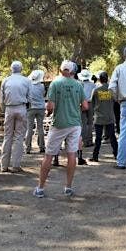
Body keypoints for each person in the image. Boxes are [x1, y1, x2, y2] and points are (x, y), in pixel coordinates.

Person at [33, 60, 86, 198]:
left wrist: (50, 113)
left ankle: (40, 188)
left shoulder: (55, 84)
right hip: (75, 124)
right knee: (71, 155)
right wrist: (75, 109)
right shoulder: (78, 85)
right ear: (73, 71)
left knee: (49, 155)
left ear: (61, 70)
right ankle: (68, 187)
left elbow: (50, 106)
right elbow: (85, 106)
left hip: (59, 124)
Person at [0, 61, 32, 173]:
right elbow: (30, 96)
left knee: (7, 136)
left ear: (11, 69)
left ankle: (4, 165)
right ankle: (16, 165)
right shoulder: (26, 81)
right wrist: (28, 108)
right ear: (21, 69)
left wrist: (4, 110)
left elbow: (1, 98)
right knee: (19, 137)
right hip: (21, 107)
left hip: (9, 108)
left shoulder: (6, 80)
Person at [90, 71, 118, 162]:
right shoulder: (111, 90)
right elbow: (116, 100)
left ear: (100, 80)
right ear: (107, 79)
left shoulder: (96, 90)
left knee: (98, 138)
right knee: (112, 137)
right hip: (109, 116)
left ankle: (95, 156)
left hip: (99, 117)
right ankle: (117, 154)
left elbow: (92, 103)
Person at [26, 70, 47, 154]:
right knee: (40, 127)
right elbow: (43, 95)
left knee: (29, 128)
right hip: (41, 108)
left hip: (31, 107)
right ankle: (42, 146)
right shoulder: (42, 86)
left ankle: (28, 147)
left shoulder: (28, 86)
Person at [78, 69, 96, 162]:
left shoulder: (80, 85)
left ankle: (84, 141)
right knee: (90, 122)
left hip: (82, 103)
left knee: (83, 123)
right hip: (90, 103)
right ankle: (89, 140)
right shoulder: (93, 85)